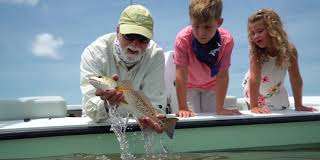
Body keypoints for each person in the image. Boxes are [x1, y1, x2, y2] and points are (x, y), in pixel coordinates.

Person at [80, 5, 166, 133]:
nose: (135, 44)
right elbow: (90, 108)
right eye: (129, 36)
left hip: (138, 127)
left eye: (143, 39)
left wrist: (154, 120)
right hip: (98, 127)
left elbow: (155, 104)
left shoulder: (155, 55)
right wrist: (106, 104)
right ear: (117, 30)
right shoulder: (94, 53)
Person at [242, 8, 318, 113]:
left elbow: (295, 78)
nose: (256, 36)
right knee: (257, 111)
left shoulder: (289, 50)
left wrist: (298, 104)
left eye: (260, 31)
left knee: (281, 108)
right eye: (253, 33)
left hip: (275, 89)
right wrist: (254, 106)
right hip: (254, 89)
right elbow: (254, 79)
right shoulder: (256, 53)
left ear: (273, 30)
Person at [174, 0, 241, 118]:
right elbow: (181, 74)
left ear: (219, 22)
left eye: (207, 27)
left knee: (214, 118)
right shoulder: (183, 39)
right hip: (189, 86)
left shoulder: (226, 41)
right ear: (191, 21)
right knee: (190, 118)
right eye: (196, 26)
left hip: (212, 86)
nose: (201, 33)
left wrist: (220, 108)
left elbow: (222, 75)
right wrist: (183, 107)